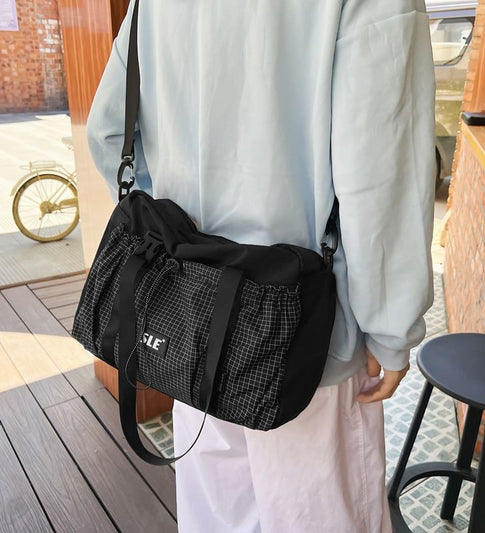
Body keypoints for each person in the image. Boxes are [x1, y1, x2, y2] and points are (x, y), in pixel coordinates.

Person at [87, 1, 435, 531]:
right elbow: (381, 170)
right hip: (306, 331)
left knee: (215, 514)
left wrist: (179, 235)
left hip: (190, 317)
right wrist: (391, 328)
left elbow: (109, 132)